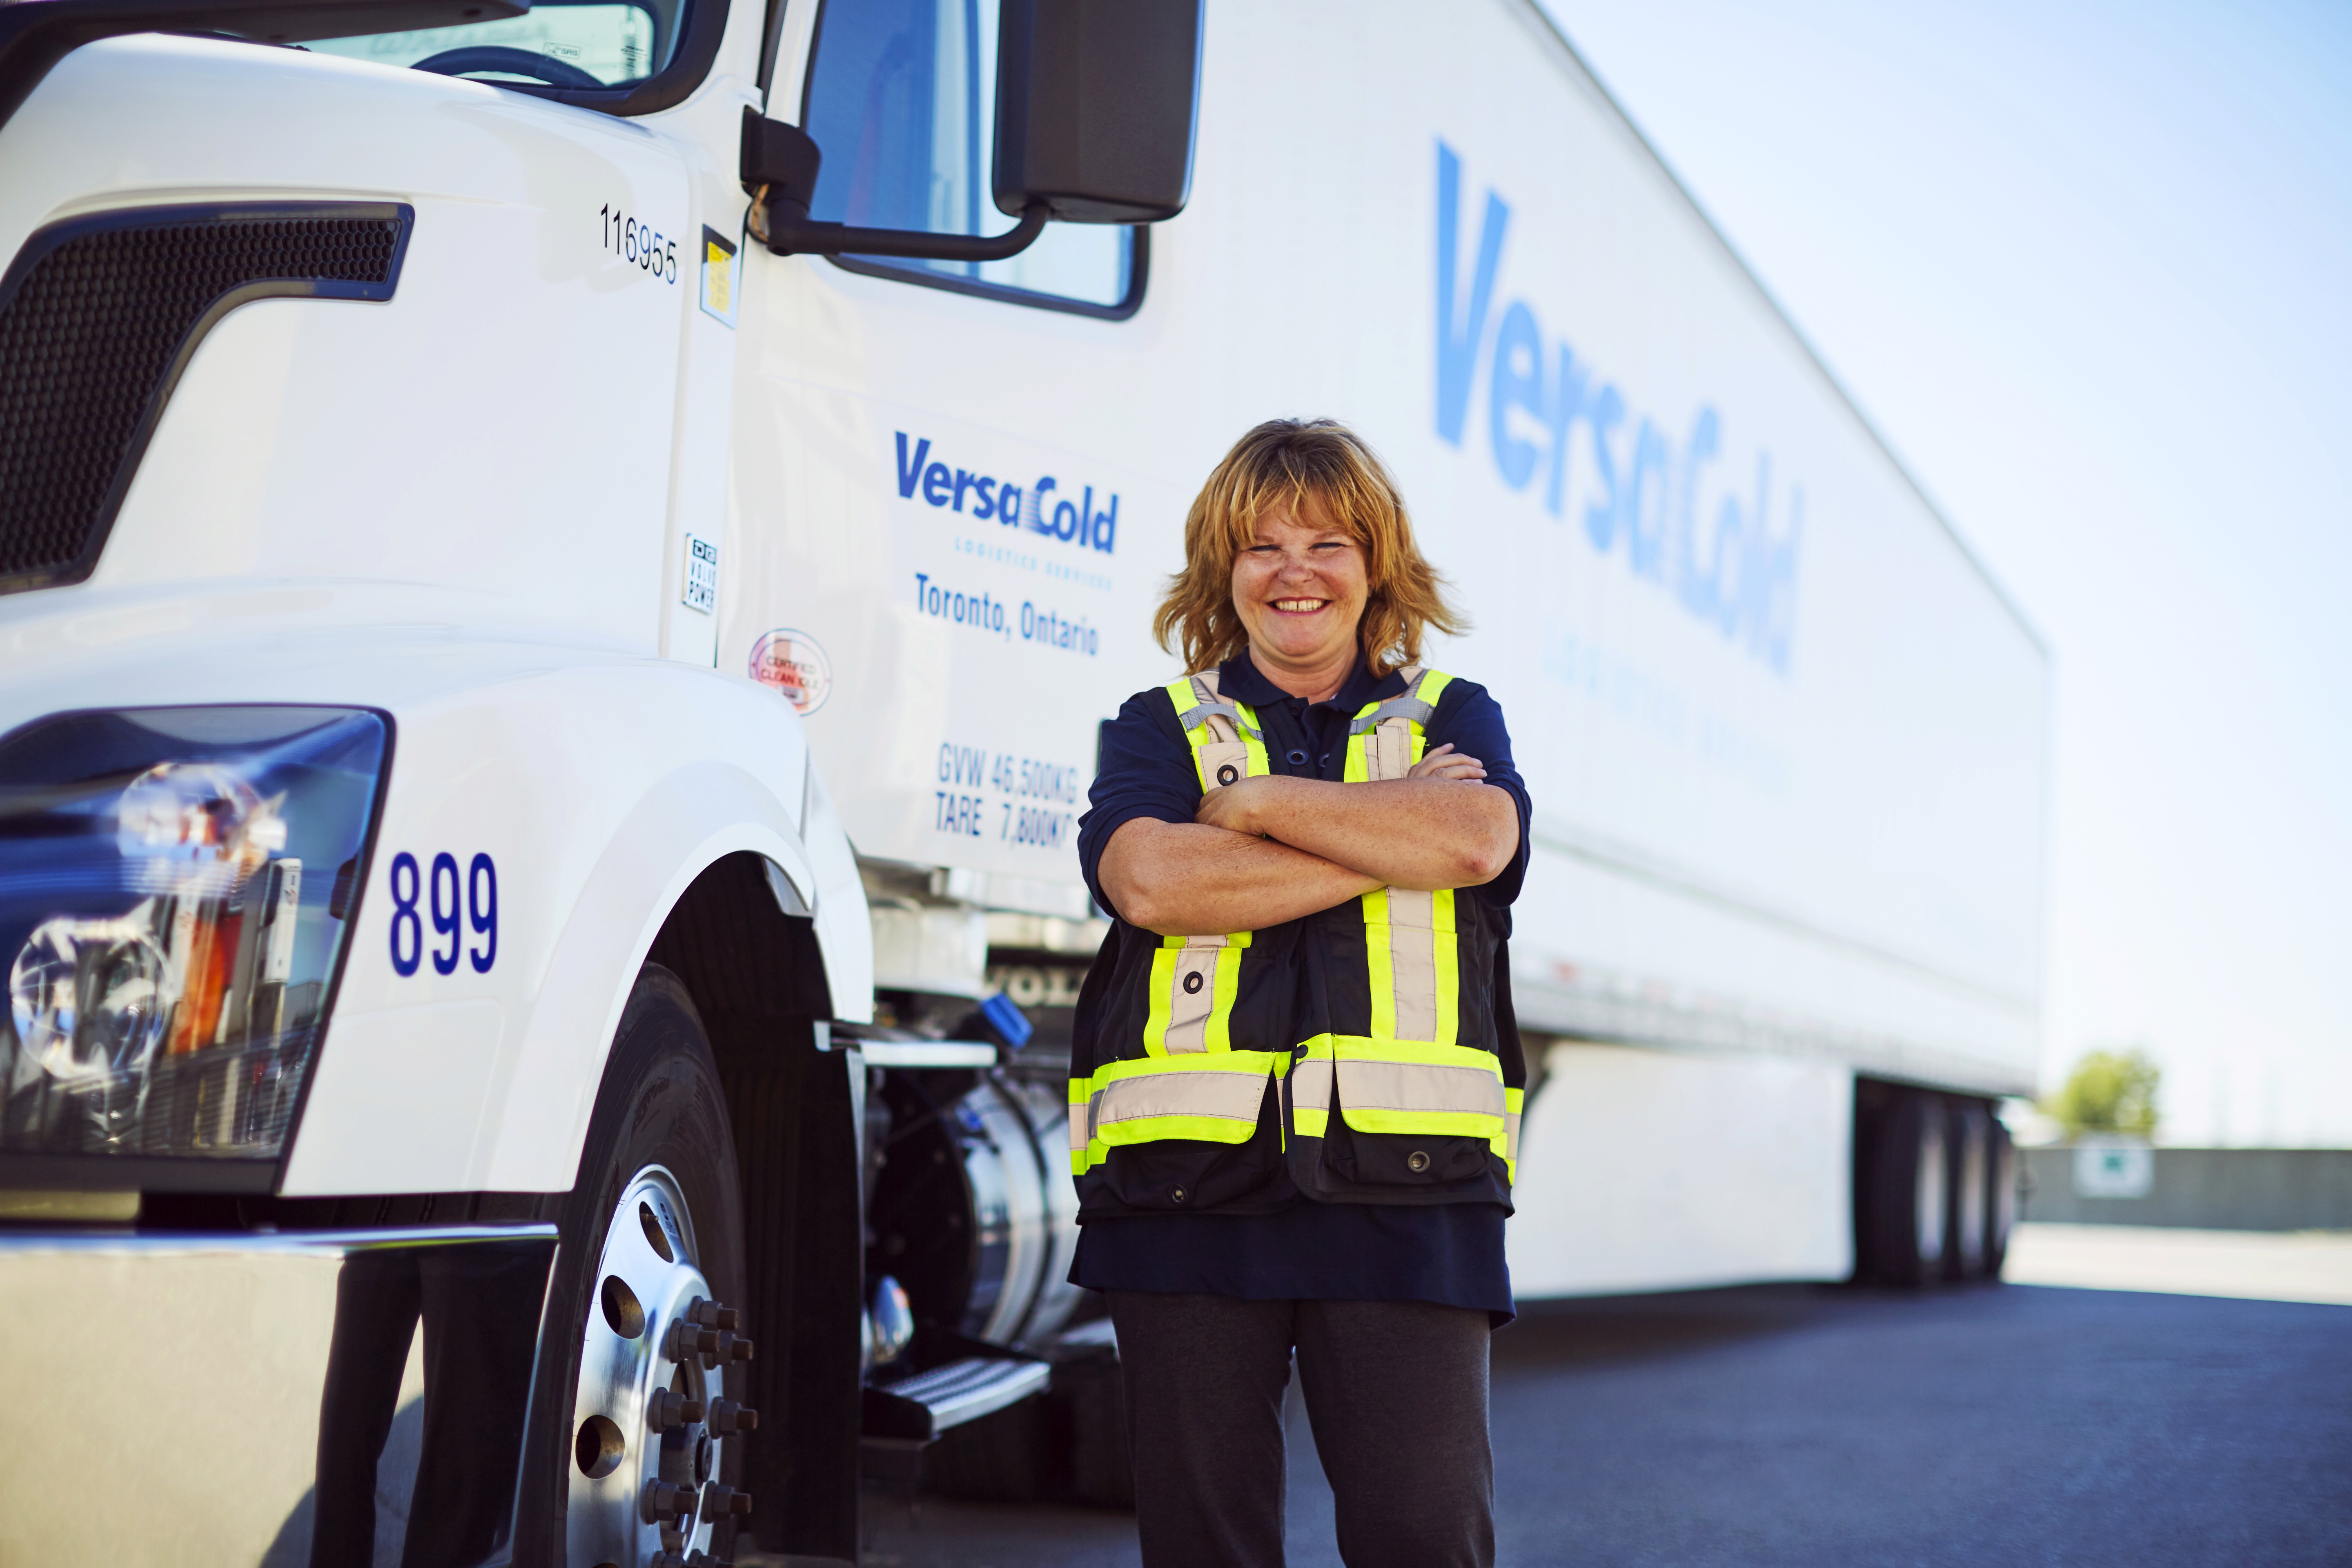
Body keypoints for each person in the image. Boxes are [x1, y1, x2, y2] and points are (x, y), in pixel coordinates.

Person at [1069, 418, 1532, 1568]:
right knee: (1204, 1551)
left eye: (1326, 543)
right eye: (1262, 546)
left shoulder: (1454, 716)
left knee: (1426, 1541)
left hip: (1412, 1200)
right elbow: (1149, 876)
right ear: (1223, 571)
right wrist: (1387, 836)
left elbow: (1475, 844)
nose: (1294, 572)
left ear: (1375, 565)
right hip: (1183, 1198)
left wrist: (1255, 806)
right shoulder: (1158, 725)